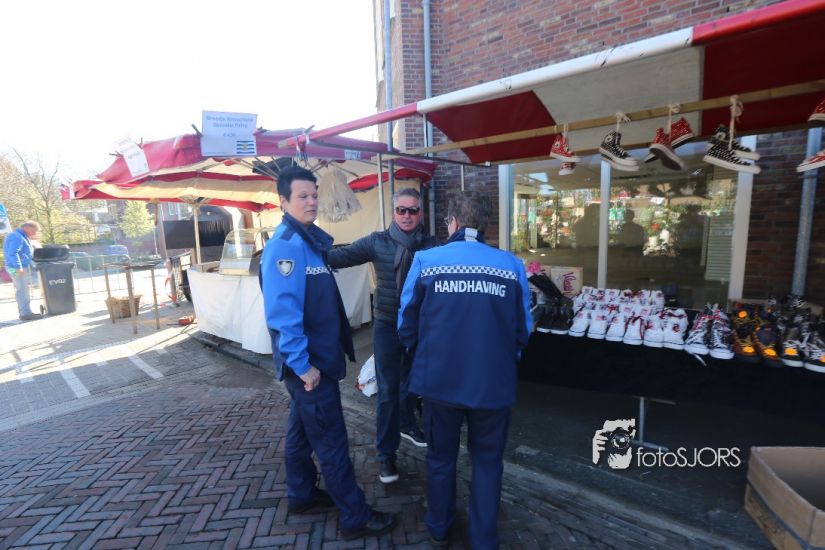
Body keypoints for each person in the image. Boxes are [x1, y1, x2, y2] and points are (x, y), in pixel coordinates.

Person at [259, 166, 396, 540]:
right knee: (332, 441)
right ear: (283, 202)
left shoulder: (307, 242)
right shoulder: (286, 245)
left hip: (317, 361)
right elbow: (283, 314)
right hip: (310, 368)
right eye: (302, 196)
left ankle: (302, 494)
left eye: (314, 195)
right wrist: (302, 366)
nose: (312, 202)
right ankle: (355, 516)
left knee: (301, 433)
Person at [398, 191, 532, 548]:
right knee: (487, 462)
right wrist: (501, 361)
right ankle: (483, 538)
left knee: (440, 458)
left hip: (439, 382)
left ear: (452, 222)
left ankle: (439, 526)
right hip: (492, 384)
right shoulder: (512, 266)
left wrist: (426, 356)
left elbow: (405, 324)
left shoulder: (426, 261)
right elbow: (523, 331)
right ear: (485, 224)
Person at [328, 187, 436, 484]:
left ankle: (407, 424)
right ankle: (386, 455)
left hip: (419, 326)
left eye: (412, 210)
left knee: (412, 383)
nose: (406, 215)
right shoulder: (377, 242)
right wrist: (306, 250)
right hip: (387, 325)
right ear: (393, 212)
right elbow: (338, 257)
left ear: (421, 213)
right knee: (387, 391)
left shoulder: (432, 245)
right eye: (401, 210)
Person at [3, 221, 43, 321]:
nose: (34, 233)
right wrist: (19, 267)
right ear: (28, 227)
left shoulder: (19, 236)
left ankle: (24, 312)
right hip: (16, 267)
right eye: (34, 231)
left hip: (14, 266)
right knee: (22, 290)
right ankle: (25, 314)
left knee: (21, 289)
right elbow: (13, 253)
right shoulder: (17, 237)